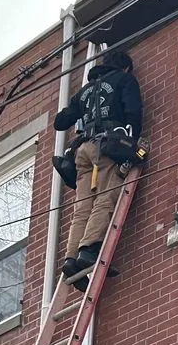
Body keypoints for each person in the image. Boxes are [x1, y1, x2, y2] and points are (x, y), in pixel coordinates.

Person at [53, 50, 143, 288]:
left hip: (82, 151)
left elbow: (60, 122)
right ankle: (89, 251)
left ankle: (71, 259)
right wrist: (132, 146)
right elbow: (134, 113)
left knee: (83, 206)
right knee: (106, 198)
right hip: (108, 147)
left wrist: (77, 105)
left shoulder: (85, 91)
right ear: (125, 68)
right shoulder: (125, 80)